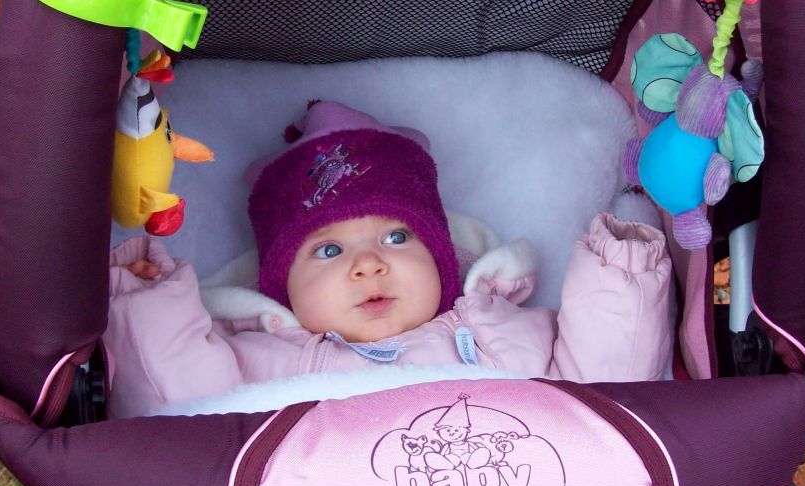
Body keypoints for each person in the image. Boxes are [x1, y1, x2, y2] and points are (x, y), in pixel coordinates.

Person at [103, 101, 673, 418]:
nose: (369, 265)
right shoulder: (258, 360)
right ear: (280, 290)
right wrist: (148, 307)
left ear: (444, 260)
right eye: (329, 250)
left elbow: (610, 395)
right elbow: (176, 413)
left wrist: (620, 274)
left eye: (397, 238)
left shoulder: (498, 331)